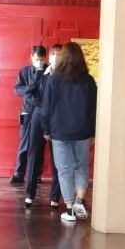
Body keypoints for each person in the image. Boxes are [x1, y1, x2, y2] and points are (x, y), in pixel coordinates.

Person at [40, 41, 97, 223]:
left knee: (64, 171)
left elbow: (46, 108)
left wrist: (46, 129)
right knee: (82, 166)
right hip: (83, 131)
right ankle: (80, 201)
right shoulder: (89, 81)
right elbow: (94, 109)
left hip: (60, 132)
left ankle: (70, 209)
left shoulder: (54, 79)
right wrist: (93, 132)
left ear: (62, 57)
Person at [25, 44, 63, 209]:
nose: (55, 56)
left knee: (57, 159)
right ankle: (29, 194)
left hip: (57, 120)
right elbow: (30, 92)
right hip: (38, 117)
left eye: (58, 54)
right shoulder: (42, 73)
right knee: (34, 156)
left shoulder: (66, 76)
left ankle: (55, 197)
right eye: (52, 53)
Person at [12, 45, 48, 184]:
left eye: (41, 59)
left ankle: (36, 174)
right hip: (27, 111)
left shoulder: (49, 71)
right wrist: (30, 87)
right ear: (31, 57)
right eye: (37, 59)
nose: (39, 61)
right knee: (24, 143)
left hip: (42, 112)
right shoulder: (25, 71)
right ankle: (19, 173)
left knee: (39, 145)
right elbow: (17, 89)